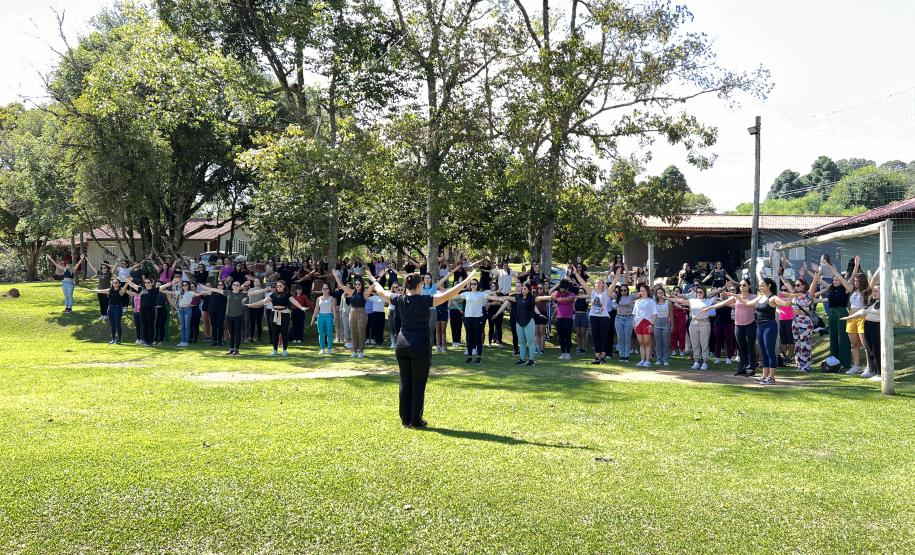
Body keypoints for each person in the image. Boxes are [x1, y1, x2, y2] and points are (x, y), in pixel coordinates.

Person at [365, 270, 475, 429]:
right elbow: (449, 294)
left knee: (405, 381)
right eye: (422, 284)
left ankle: (405, 419)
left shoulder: (399, 299)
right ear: (418, 285)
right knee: (418, 383)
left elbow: (381, 292)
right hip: (420, 344)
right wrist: (467, 280)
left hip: (402, 344)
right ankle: (416, 420)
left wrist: (373, 279)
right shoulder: (425, 300)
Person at [728, 276, 797, 385]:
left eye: (762, 285)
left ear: (768, 286)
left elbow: (785, 304)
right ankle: (765, 376)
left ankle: (772, 377)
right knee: (763, 352)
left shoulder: (773, 298)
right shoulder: (760, 297)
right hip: (760, 326)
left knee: (770, 351)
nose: (760, 287)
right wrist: (737, 296)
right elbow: (746, 303)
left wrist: (791, 298)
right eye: (759, 285)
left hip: (770, 326)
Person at [706, 278, 758, 377]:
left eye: (744, 285)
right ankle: (742, 368)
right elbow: (723, 303)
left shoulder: (753, 297)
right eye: (740, 285)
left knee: (750, 347)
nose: (741, 287)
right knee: (741, 347)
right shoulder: (736, 296)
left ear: (749, 286)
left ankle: (751, 369)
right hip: (738, 325)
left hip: (750, 324)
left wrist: (736, 296)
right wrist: (710, 307)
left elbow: (750, 303)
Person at [572, 265, 622, 364]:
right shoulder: (591, 292)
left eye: (599, 283)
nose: (597, 284)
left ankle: (602, 356)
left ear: (603, 285)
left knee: (603, 336)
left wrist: (617, 275)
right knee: (596, 336)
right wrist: (576, 273)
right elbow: (582, 282)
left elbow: (614, 283)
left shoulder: (607, 293)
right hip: (594, 317)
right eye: (596, 283)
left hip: (604, 317)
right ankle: (597, 357)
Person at [244, 280, 308, 356]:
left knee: (284, 332)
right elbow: (263, 301)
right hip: (274, 314)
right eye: (277, 286)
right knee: (275, 332)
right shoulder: (273, 295)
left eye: (280, 286)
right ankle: (275, 350)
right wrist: (252, 305)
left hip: (285, 314)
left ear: (284, 286)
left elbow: (294, 301)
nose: (279, 287)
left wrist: (301, 307)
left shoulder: (288, 294)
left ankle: (284, 350)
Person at [780, 263, 822, 373]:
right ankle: (799, 365)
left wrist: (817, 272)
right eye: (796, 285)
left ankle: (806, 366)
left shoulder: (808, 295)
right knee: (797, 343)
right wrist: (780, 275)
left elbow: (814, 283)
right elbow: (786, 283)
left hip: (805, 321)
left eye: (799, 285)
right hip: (795, 321)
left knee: (805, 343)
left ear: (804, 286)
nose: (796, 287)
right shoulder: (794, 295)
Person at [815, 256, 854, 370]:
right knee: (833, 336)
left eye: (836, 280)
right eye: (833, 280)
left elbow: (843, 277)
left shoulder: (845, 289)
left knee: (843, 337)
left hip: (841, 312)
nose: (834, 281)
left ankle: (845, 362)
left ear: (841, 281)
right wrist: (812, 272)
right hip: (832, 313)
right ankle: (834, 361)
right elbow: (819, 280)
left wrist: (829, 266)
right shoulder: (831, 288)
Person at [489, 281, 541, 366]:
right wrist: (497, 313)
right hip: (516, 319)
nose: (518, 288)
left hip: (528, 320)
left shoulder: (530, 298)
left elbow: (535, 304)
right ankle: (520, 356)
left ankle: (531, 360)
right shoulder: (514, 297)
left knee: (530, 341)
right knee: (520, 340)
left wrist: (539, 313)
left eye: (520, 286)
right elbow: (504, 303)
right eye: (516, 286)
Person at [843, 268, 882, 380]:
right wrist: (855, 267)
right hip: (853, 318)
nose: (855, 283)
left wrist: (880, 267)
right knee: (854, 344)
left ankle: (871, 368)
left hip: (864, 319)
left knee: (866, 345)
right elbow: (843, 280)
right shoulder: (852, 290)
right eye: (854, 281)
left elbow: (874, 279)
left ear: (863, 281)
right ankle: (857, 366)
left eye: (858, 281)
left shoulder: (867, 292)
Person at [331, 272, 375, 358]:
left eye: (359, 284)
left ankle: (361, 351)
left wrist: (374, 276)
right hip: (352, 312)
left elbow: (374, 285)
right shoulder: (351, 292)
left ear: (361, 285)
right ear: (354, 285)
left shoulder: (365, 293)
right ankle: (354, 351)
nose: (357, 286)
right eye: (356, 284)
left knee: (361, 332)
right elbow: (341, 285)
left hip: (362, 312)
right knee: (353, 332)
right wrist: (335, 276)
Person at [674, 287, 713, 370]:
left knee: (704, 344)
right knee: (695, 344)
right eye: (697, 292)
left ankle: (705, 362)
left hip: (704, 323)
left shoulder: (708, 301)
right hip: (694, 323)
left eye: (701, 292)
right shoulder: (692, 301)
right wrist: (665, 297)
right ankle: (696, 361)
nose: (699, 293)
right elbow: (678, 300)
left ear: (704, 293)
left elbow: (720, 302)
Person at [160, 278, 203, 347]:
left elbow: (200, 294)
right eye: (183, 285)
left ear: (188, 286)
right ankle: (182, 341)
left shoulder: (191, 293)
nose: (184, 286)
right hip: (180, 310)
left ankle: (186, 341)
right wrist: (170, 283)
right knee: (182, 326)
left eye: (185, 285)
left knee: (187, 326)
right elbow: (162, 290)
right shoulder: (179, 292)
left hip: (187, 309)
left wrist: (207, 290)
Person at [87, 277, 130, 344]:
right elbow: (100, 291)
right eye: (113, 282)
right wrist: (90, 291)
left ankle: (119, 339)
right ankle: (113, 339)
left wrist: (128, 281)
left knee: (117, 323)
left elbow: (125, 287)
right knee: (112, 325)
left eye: (116, 283)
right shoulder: (110, 290)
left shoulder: (121, 291)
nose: (114, 284)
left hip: (118, 308)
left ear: (119, 284)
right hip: (110, 308)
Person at [459, 277, 491, 364]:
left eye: (474, 284)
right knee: (469, 337)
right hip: (468, 317)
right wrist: (443, 293)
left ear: (477, 285)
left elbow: (490, 296)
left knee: (477, 337)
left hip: (478, 318)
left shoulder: (481, 294)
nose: (473, 285)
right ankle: (469, 357)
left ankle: (478, 357)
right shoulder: (466, 293)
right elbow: (454, 296)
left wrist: (500, 298)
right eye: (471, 284)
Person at [549, 279, 578, 360]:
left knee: (567, 336)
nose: (560, 290)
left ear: (566, 288)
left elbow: (569, 298)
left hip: (568, 318)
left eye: (562, 288)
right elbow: (550, 295)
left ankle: (568, 353)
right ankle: (563, 353)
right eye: (560, 288)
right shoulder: (557, 293)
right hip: (559, 318)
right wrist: (556, 289)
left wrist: (560, 299)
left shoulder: (571, 294)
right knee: (561, 336)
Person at [632, 283, 657, 367]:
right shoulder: (637, 301)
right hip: (638, 323)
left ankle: (647, 361)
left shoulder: (651, 301)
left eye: (643, 291)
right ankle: (642, 360)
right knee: (641, 343)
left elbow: (654, 314)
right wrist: (634, 324)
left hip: (647, 323)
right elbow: (635, 314)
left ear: (647, 291)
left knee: (647, 343)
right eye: (641, 291)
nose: (642, 292)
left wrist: (651, 324)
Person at [310, 283, 338, 354]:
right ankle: (322, 348)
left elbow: (334, 309)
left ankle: (329, 348)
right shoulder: (318, 298)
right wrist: (313, 318)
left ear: (329, 290)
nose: (325, 290)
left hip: (329, 316)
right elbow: (316, 309)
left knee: (329, 333)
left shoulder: (332, 298)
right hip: (320, 317)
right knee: (321, 333)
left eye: (326, 289)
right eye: (323, 288)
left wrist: (335, 318)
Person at [614, 284, 637, 362]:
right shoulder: (617, 296)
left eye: (625, 290)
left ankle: (626, 356)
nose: (623, 292)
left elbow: (642, 293)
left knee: (627, 338)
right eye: (621, 290)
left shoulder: (631, 296)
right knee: (620, 338)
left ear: (627, 290)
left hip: (629, 318)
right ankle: (621, 356)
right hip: (619, 318)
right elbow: (608, 292)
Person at [652, 286, 672, 366]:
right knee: (658, 343)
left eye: (661, 293)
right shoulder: (654, 302)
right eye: (658, 293)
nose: (660, 294)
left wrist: (672, 325)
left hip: (665, 323)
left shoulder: (668, 302)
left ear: (664, 293)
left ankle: (666, 359)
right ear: (656, 294)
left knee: (665, 342)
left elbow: (671, 315)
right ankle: (659, 359)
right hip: (657, 323)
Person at [486, 281, 505, 347]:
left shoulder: (501, 294)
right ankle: (489, 343)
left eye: (493, 286)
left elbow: (502, 303)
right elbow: (486, 304)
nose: (491, 287)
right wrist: (492, 303)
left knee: (499, 328)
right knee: (491, 328)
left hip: (499, 313)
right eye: (491, 286)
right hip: (490, 313)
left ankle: (500, 343)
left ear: (496, 287)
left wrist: (496, 298)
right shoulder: (489, 295)